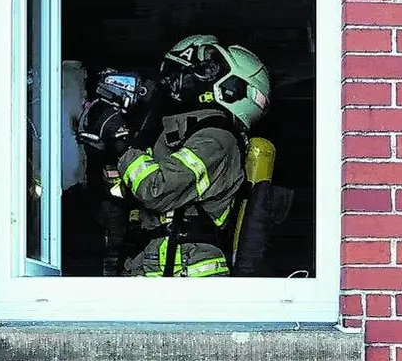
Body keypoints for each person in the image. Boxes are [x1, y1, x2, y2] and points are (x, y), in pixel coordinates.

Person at [81, 35, 271, 278]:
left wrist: (122, 141)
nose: (178, 82)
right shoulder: (178, 138)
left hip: (187, 273)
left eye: (204, 72)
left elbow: (155, 190)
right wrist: (111, 149)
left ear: (233, 89)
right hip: (157, 264)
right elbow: (124, 191)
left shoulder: (217, 141)